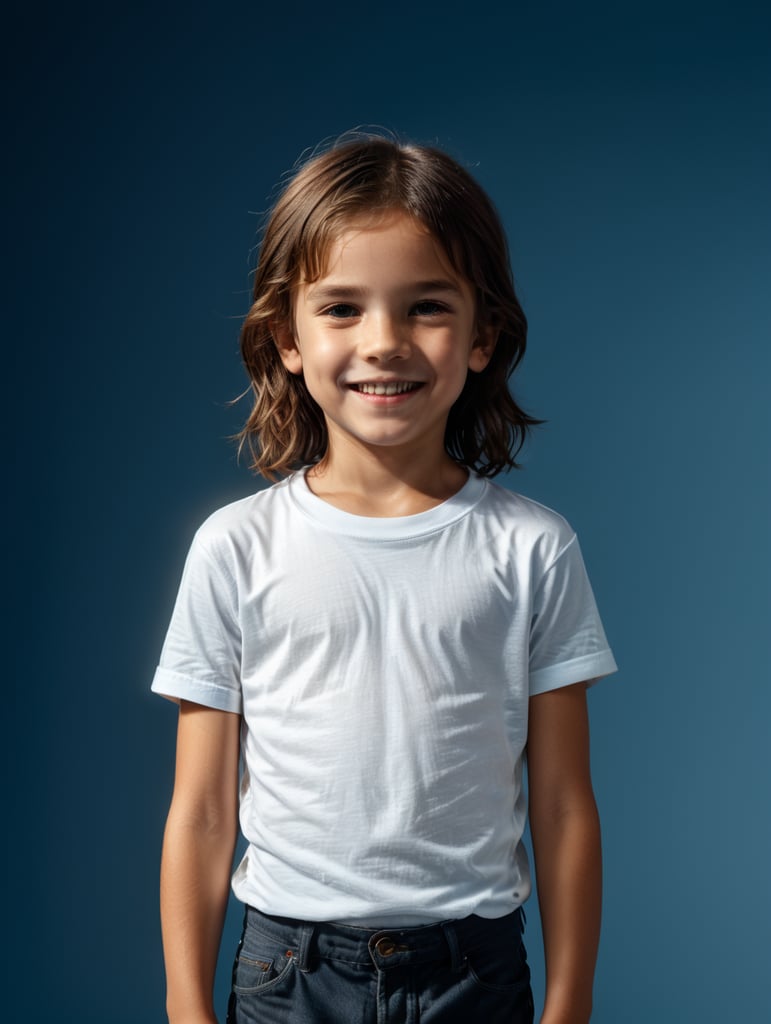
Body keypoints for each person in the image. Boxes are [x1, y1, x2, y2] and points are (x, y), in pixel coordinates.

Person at [153, 134, 617, 1024]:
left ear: (482, 336)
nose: (384, 343)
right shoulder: (234, 547)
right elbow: (203, 810)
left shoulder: (532, 549)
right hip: (287, 976)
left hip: (474, 973)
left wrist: (568, 1004)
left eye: (425, 307)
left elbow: (563, 805)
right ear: (286, 338)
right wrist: (184, 1006)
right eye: (341, 307)